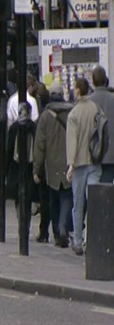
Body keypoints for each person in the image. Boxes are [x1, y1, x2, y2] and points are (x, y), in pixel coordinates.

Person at [33, 83, 73, 248]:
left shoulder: (45, 116)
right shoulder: (71, 112)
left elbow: (40, 144)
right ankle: (63, 226)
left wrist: (37, 168)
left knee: (53, 198)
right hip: (68, 161)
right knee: (66, 197)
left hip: (51, 164)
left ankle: (57, 230)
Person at [66, 77, 102, 256]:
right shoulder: (95, 108)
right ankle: (90, 238)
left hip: (79, 163)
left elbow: (72, 141)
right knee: (93, 201)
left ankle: (78, 241)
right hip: (95, 162)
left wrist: (70, 165)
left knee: (78, 203)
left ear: (78, 91)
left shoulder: (74, 114)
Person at [6, 102, 37, 229]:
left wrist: (7, 170)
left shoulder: (14, 128)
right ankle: (26, 224)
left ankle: (21, 223)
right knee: (28, 199)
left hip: (16, 166)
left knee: (19, 198)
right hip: (30, 166)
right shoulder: (34, 127)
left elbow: (9, 150)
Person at [89, 65, 114, 182]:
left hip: (93, 154)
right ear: (106, 80)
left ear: (93, 82)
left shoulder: (88, 102)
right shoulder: (112, 99)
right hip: (111, 154)